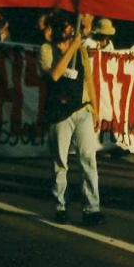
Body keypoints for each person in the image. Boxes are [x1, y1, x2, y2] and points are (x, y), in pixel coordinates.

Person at [39, 13, 104, 226]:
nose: (70, 30)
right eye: (66, 27)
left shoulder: (82, 50)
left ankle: (92, 208)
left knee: (88, 158)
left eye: (71, 27)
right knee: (61, 161)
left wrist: (95, 108)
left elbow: (89, 80)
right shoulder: (47, 50)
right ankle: (60, 205)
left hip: (81, 109)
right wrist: (72, 48)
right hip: (59, 112)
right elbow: (55, 75)